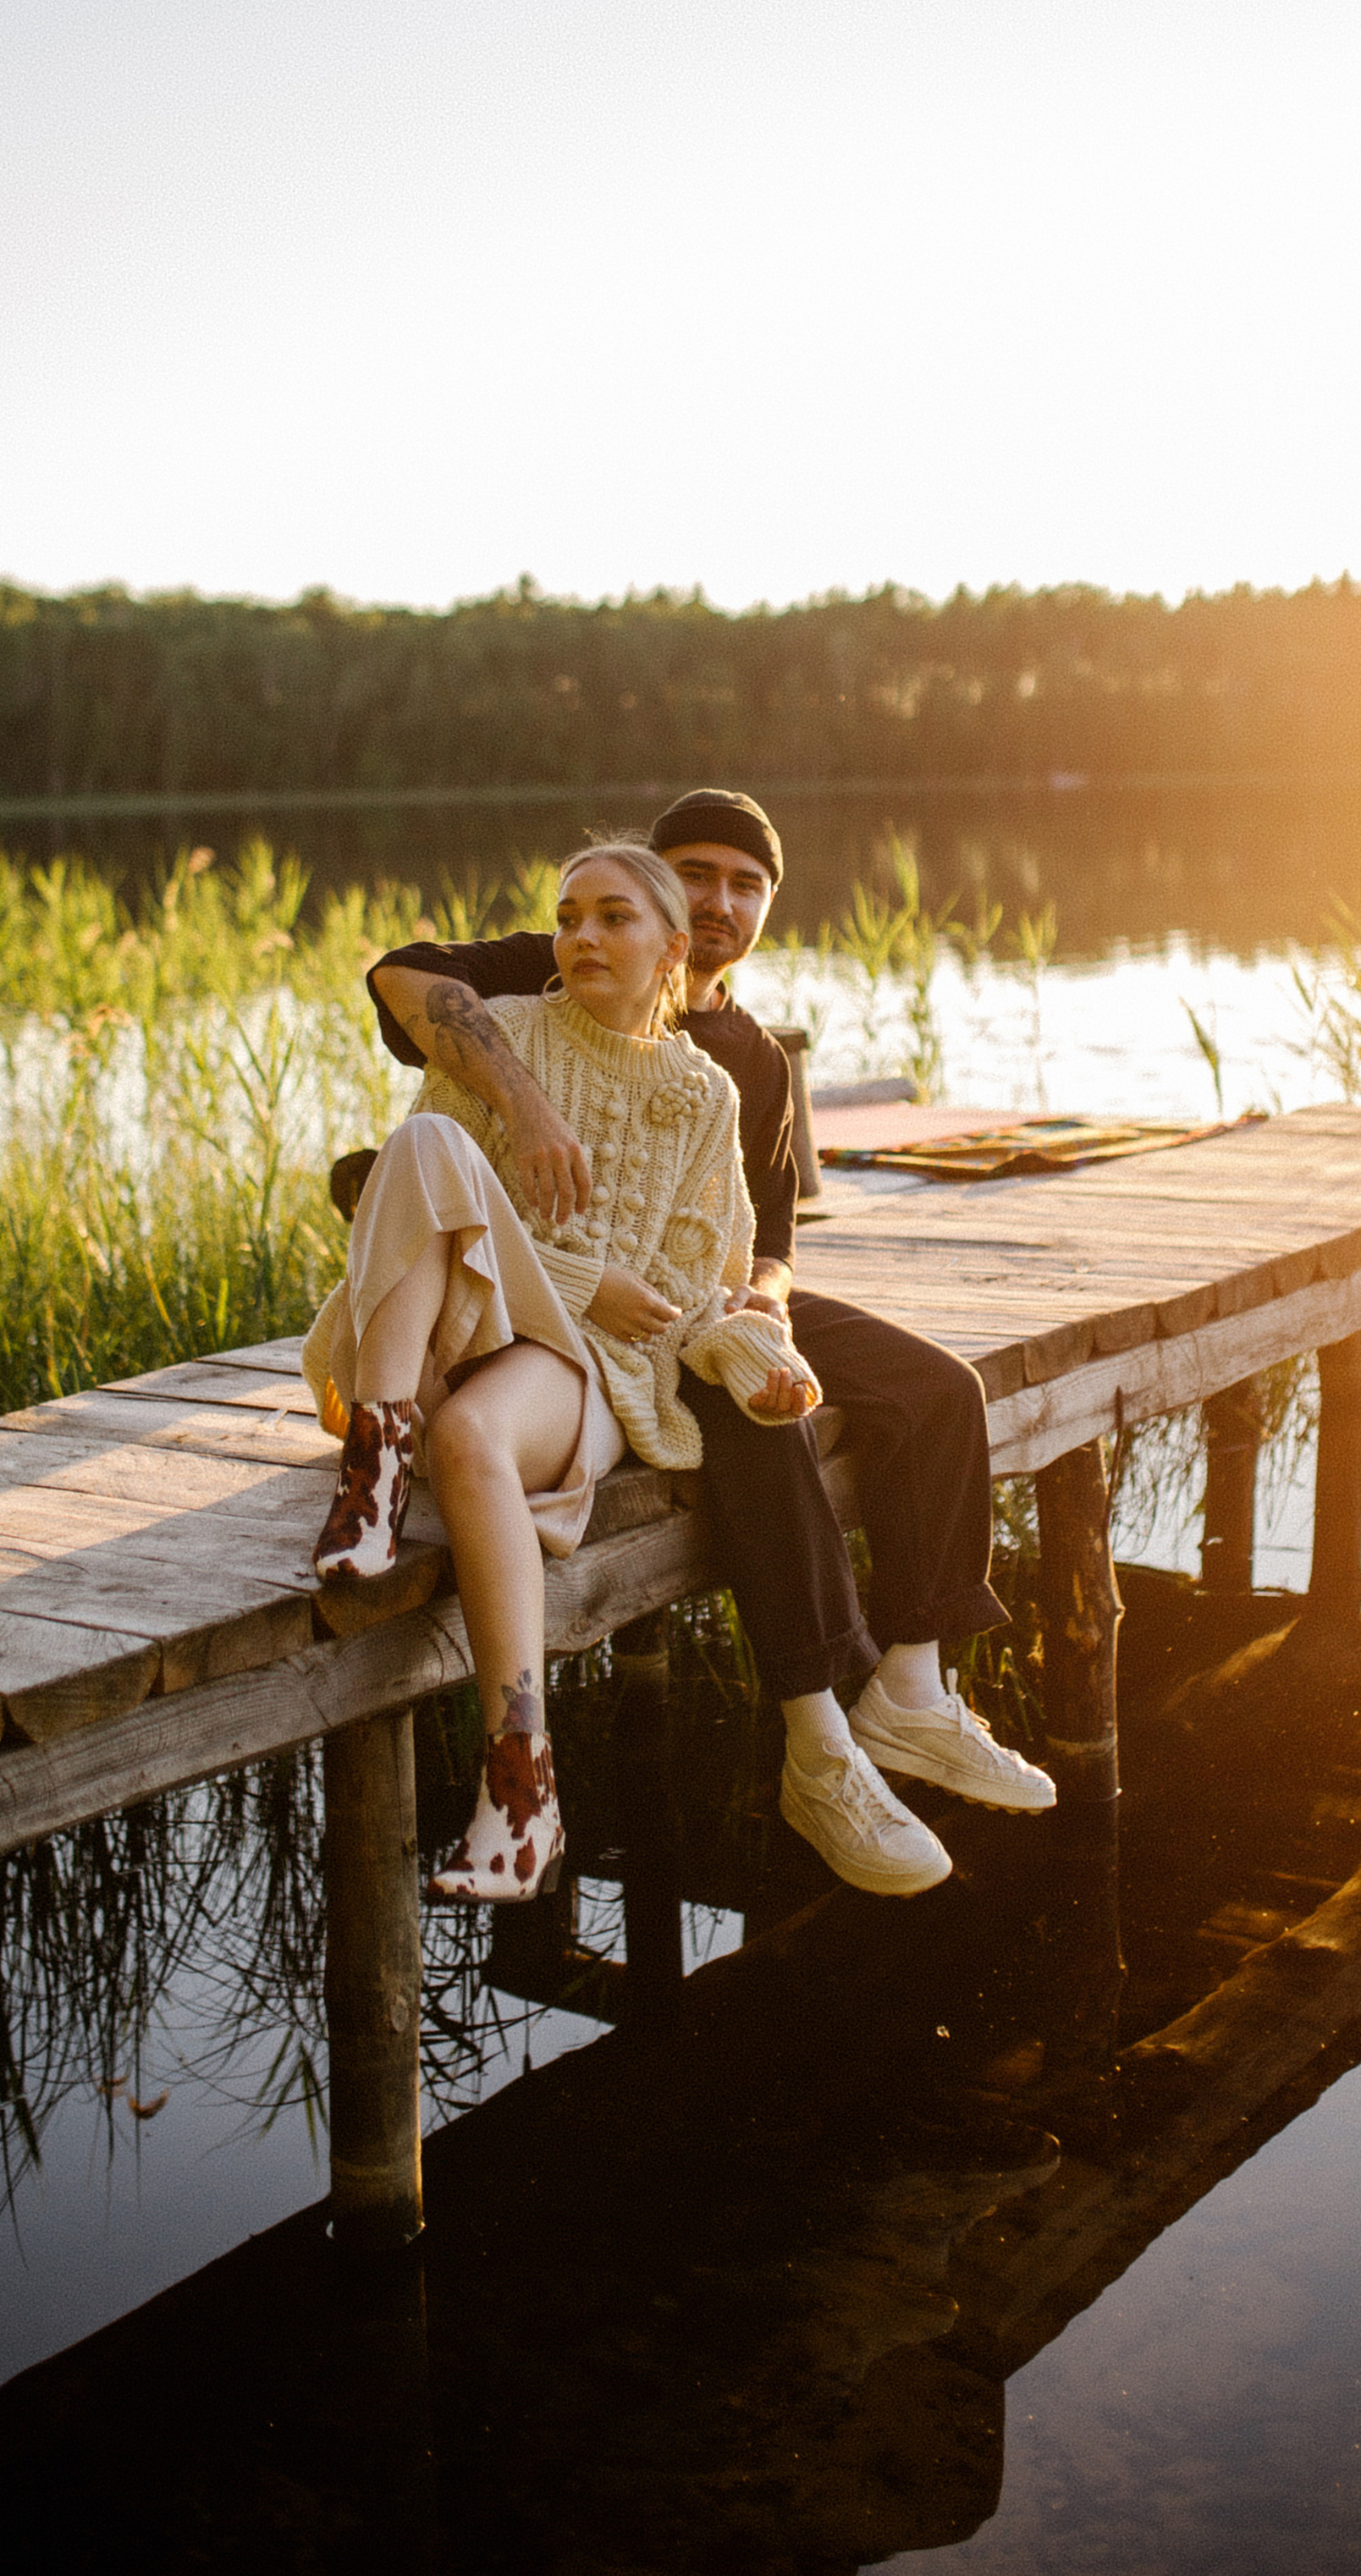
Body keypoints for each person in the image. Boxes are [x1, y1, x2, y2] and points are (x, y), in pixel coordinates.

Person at [368, 786, 1055, 1904]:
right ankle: (818, 1740)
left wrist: (762, 1306)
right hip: (579, 1299)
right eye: (695, 873)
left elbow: (768, 1239)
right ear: (655, 888)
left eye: (746, 884)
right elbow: (402, 979)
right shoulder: (569, 963)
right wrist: (529, 1106)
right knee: (746, 1411)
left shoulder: (754, 1060)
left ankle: (914, 1688)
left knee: (940, 1389)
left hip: (703, 1285)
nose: (720, 899)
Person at [303, 839, 817, 1904]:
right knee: (423, 1149)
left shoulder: (707, 1094)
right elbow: (426, 1207)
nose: (581, 935)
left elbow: (689, 1292)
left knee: (472, 1437)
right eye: (569, 915)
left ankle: (522, 1785)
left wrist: (760, 1359)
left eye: (612, 918)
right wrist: (582, 1278)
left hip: (591, 1367)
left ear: (671, 949)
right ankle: (377, 1464)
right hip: (450, 1330)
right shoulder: (503, 1035)